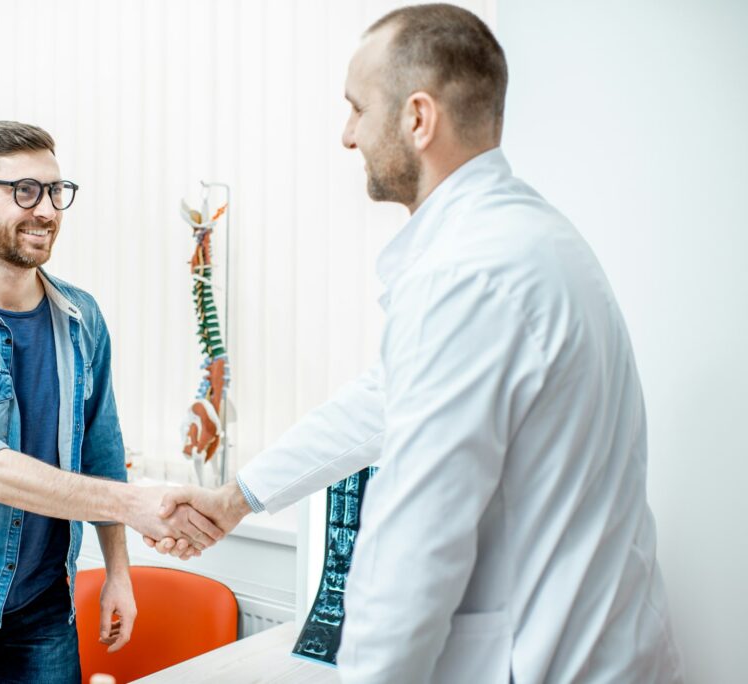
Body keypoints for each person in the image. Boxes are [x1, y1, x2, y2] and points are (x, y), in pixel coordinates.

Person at [150, 5, 683, 682]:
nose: (348, 135)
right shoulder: (526, 241)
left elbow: (414, 546)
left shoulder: (468, 275)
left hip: (549, 660)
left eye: (357, 108)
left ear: (418, 118)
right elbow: (381, 400)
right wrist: (240, 496)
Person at [0, 121, 221, 683]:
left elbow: (101, 451)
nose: (47, 210)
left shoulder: (82, 317)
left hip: (39, 598)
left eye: (56, 191)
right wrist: (134, 506)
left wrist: (118, 571)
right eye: (25, 191)